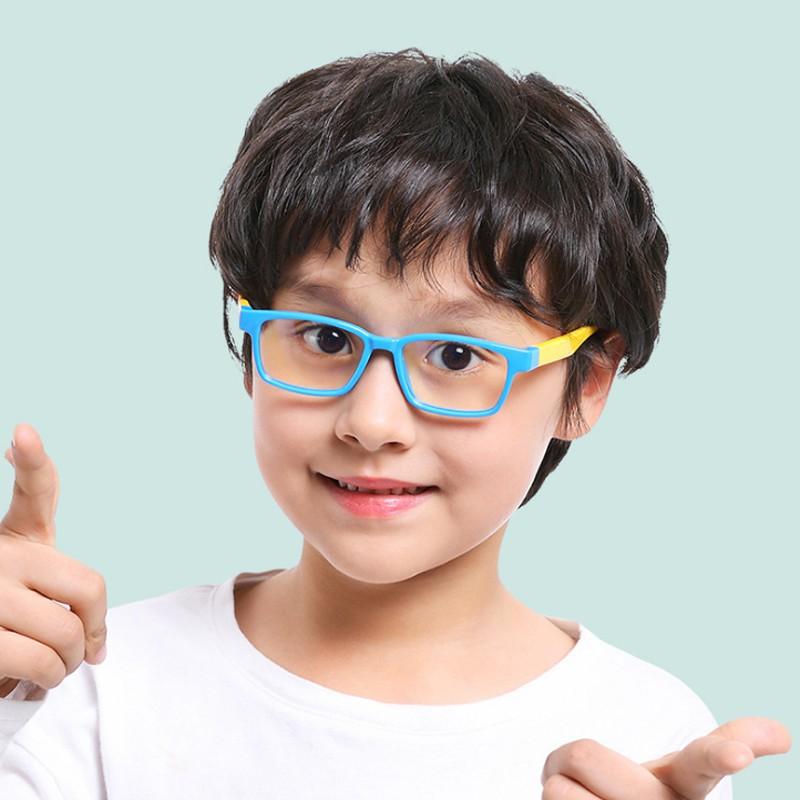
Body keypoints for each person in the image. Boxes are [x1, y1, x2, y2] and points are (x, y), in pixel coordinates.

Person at [0, 48, 790, 799]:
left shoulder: (644, 735)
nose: (373, 422)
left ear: (585, 383)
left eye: (455, 354)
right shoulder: (89, 682)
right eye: (326, 339)